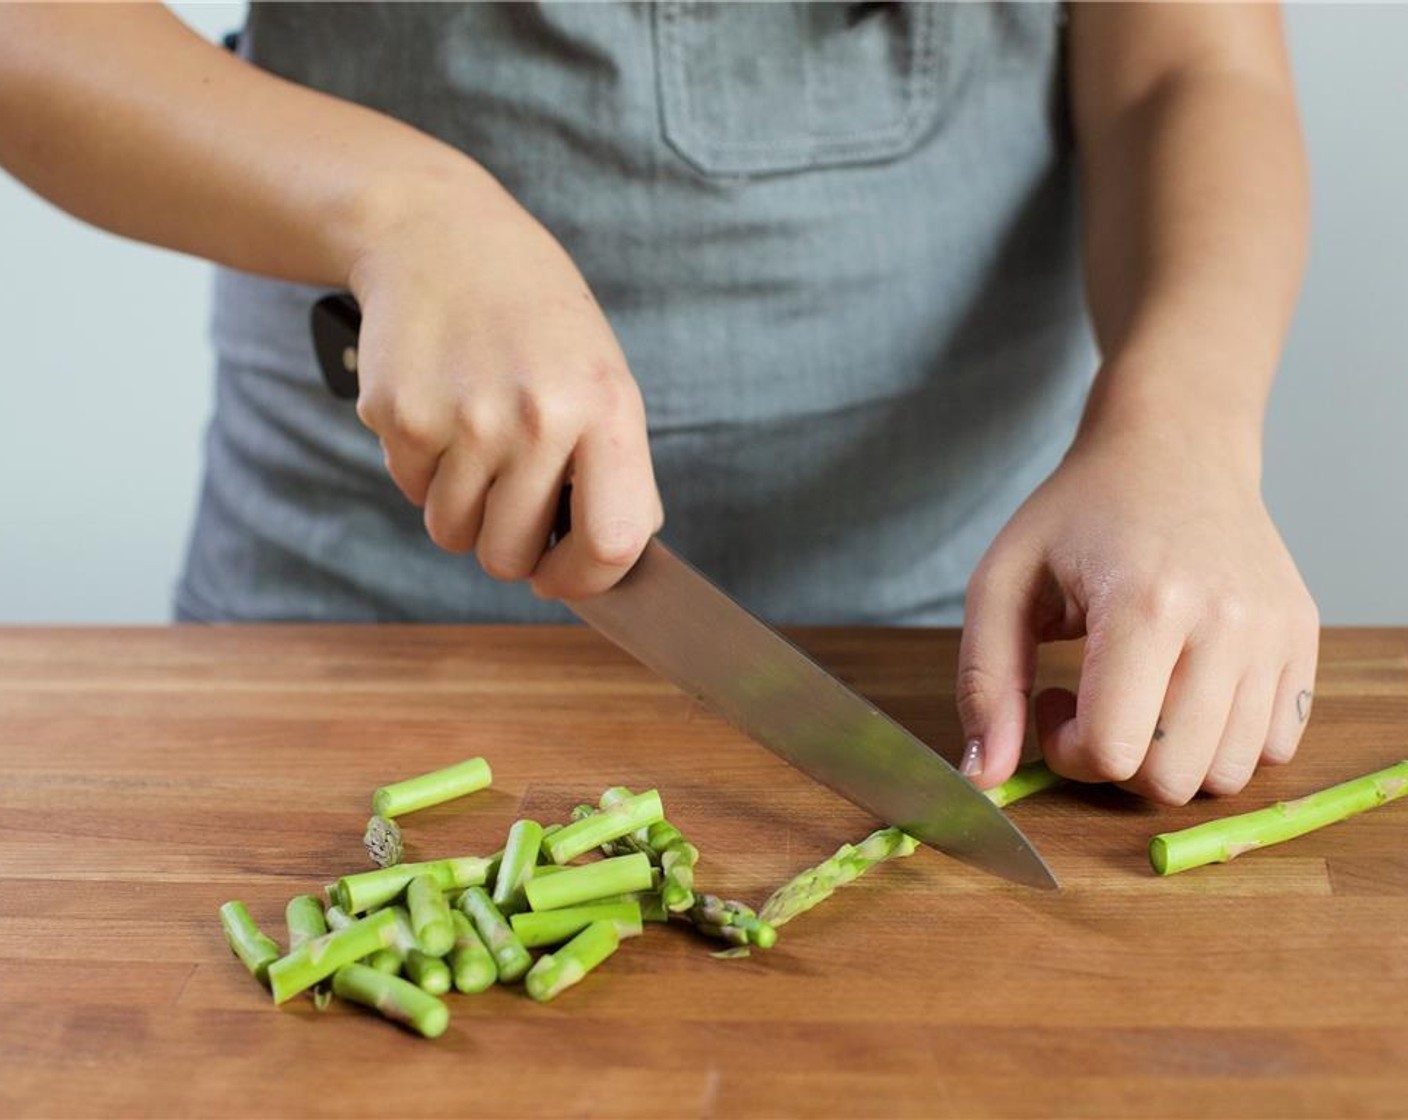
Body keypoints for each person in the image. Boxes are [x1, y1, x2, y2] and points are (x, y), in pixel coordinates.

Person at [0, 2, 1319, 805]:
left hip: (964, 634)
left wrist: (1182, 432)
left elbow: (1191, 62)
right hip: (347, 608)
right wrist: (399, 210)